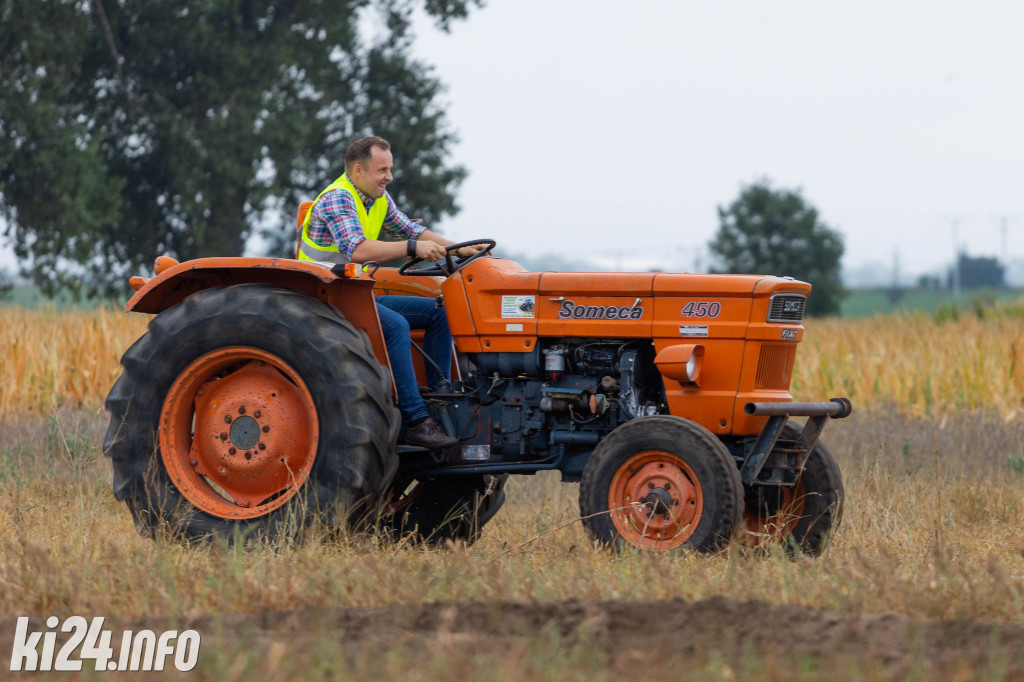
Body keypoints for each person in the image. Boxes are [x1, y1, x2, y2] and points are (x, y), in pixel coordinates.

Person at [298, 135, 484, 449]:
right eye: (382, 170)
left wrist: (459, 249)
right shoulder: (338, 197)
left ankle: (444, 402)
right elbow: (356, 249)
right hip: (325, 297)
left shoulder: (377, 199)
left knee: (440, 311)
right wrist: (414, 248)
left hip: (354, 293)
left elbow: (411, 229)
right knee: (395, 325)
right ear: (358, 170)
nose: (390, 177)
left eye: (390, 169)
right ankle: (415, 420)